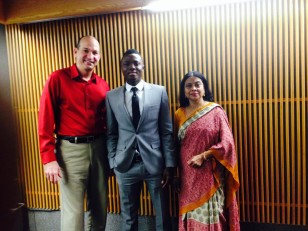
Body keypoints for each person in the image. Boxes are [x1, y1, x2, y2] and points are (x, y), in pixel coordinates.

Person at [38, 35, 109, 231]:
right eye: (86, 50)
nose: (90, 56)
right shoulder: (57, 78)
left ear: (99, 57)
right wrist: (48, 159)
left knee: (100, 207)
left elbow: (108, 124)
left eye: (95, 52)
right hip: (70, 151)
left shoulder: (103, 85)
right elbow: (45, 120)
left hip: (99, 148)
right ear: (75, 52)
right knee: (73, 212)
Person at [106, 49, 176, 231]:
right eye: (127, 64)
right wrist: (113, 162)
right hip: (125, 166)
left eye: (136, 63)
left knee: (162, 215)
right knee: (128, 218)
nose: (132, 67)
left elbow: (166, 131)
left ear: (143, 66)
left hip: (155, 165)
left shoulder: (159, 92)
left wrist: (169, 165)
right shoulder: (111, 97)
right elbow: (111, 133)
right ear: (121, 68)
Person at [174, 71, 240, 231]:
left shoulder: (216, 111)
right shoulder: (179, 114)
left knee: (212, 213)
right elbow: (174, 147)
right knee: (190, 213)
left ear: (204, 89)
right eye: (188, 85)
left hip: (210, 175)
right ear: (184, 90)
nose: (193, 88)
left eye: (197, 84)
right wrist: (174, 172)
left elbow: (227, 143)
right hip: (187, 177)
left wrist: (204, 155)